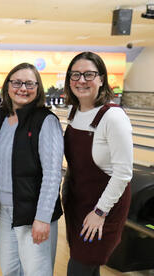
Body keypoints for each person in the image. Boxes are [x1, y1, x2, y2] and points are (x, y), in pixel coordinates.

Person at [62, 51, 133, 276]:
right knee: (87, 266)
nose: (81, 80)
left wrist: (100, 212)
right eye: (75, 75)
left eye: (88, 74)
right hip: (77, 203)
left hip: (104, 207)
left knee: (79, 268)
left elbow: (123, 173)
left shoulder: (113, 117)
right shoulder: (74, 111)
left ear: (101, 79)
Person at [0, 63, 63, 276]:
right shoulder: (1, 117)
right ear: (8, 86)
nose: (23, 88)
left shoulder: (46, 121)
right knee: (10, 270)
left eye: (30, 83)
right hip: (5, 211)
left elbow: (52, 175)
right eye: (17, 82)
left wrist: (42, 217)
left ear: (38, 88)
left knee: (36, 272)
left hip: (33, 212)